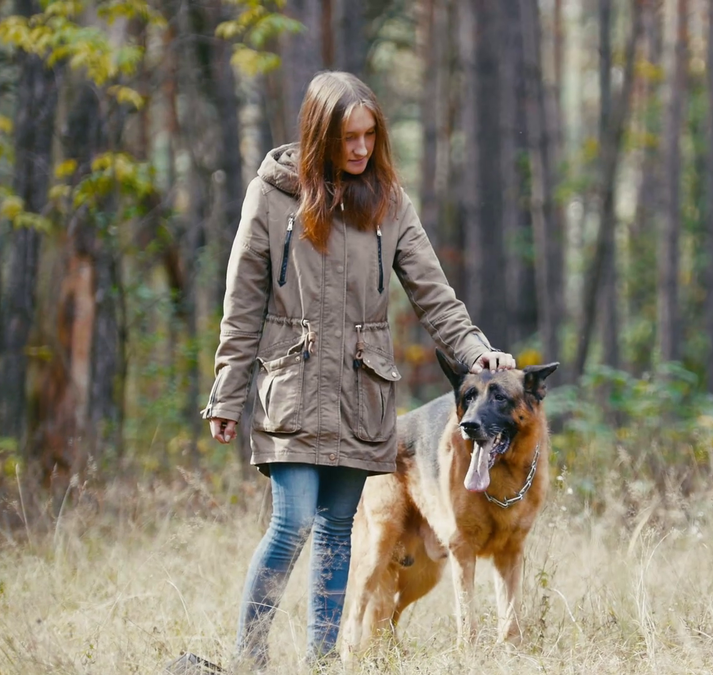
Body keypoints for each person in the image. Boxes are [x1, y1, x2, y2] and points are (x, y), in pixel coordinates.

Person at [202, 71, 515, 666]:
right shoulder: (270, 196)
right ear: (320, 134)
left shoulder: (391, 203)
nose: (361, 149)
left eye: (370, 135)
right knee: (291, 520)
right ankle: (250, 658)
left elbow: (433, 294)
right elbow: (242, 301)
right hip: (290, 386)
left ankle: (321, 663)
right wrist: (226, 391)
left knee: (336, 531)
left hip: (361, 394)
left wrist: (477, 350)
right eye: (348, 137)